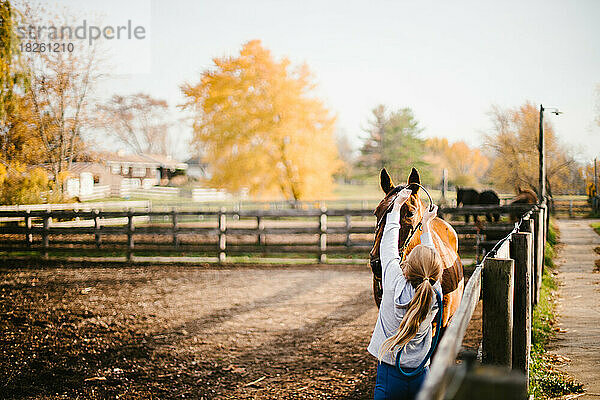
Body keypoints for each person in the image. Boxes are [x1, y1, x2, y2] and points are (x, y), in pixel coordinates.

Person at [367, 187, 443, 400]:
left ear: (407, 267)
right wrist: (426, 224)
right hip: (421, 375)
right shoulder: (435, 293)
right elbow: (432, 261)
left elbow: (388, 245)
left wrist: (396, 207)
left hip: (390, 376)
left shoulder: (392, 284)